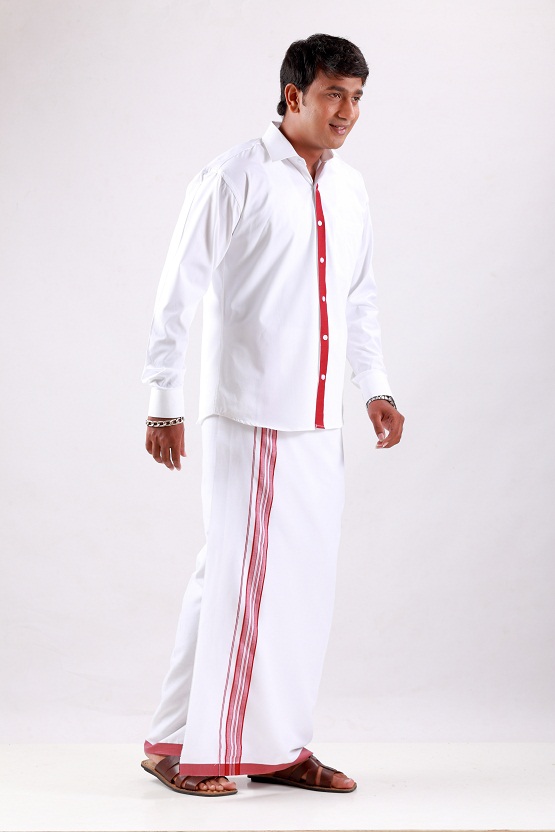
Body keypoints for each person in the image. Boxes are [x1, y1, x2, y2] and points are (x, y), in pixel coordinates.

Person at [140, 33, 404, 797]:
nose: (347, 111)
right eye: (333, 94)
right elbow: (178, 292)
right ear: (293, 95)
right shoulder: (235, 175)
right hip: (251, 413)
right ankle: (202, 752)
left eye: (356, 97)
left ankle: (261, 744)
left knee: (296, 586)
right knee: (239, 580)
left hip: (318, 416)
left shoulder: (349, 189)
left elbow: (358, 297)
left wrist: (375, 386)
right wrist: (163, 400)